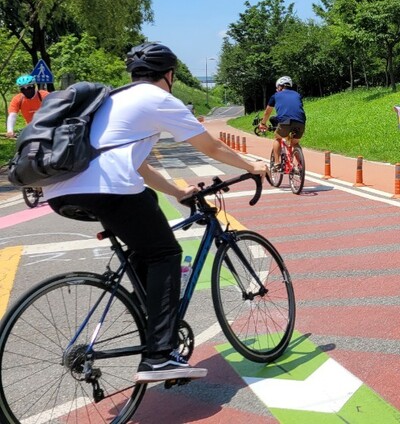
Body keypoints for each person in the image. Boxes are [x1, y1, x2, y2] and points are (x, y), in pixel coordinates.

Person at [43, 42, 268, 382]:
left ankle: (151, 323)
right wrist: (250, 163)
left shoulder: (113, 100)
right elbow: (210, 146)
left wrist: (179, 191)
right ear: (169, 75)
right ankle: (159, 355)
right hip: (109, 188)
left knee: (144, 239)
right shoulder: (158, 98)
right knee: (165, 253)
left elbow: (141, 166)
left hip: (63, 190)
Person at [258, 76, 306, 167]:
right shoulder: (297, 95)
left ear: (280, 86)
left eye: (277, 88)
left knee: (277, 138)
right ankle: (300, 165)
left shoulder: (275, 95)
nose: (277, 89)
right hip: (301, 121)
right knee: (295, 143)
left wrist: (263, 123)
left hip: (285, 121)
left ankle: (277, 163)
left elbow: (267, 112)